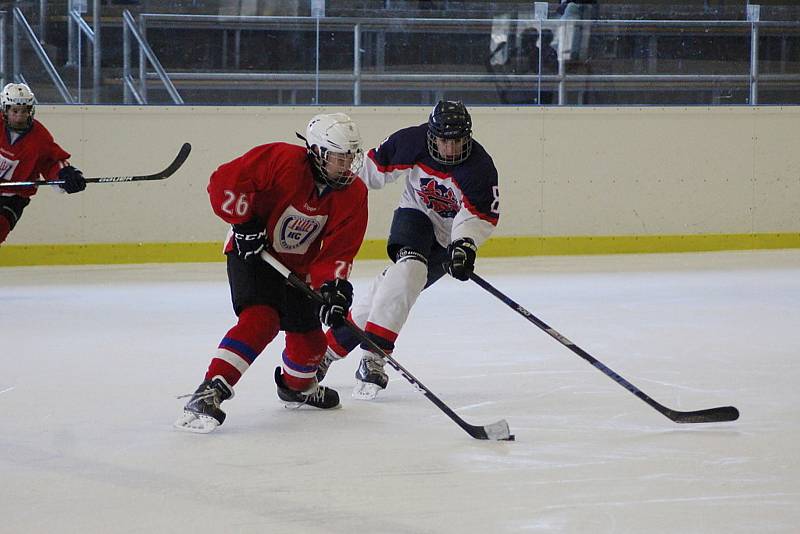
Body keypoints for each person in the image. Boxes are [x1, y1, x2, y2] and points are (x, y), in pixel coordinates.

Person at [175, 113, 368, 433]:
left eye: (350, 157)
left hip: (297, 268)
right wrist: (246, 224)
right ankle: (210, 391)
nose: (346, 165)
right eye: (338, 158)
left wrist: (334, 287)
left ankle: (297, 389)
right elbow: (225, 181)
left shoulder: (353, 193)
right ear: (318, 153)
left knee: (310, 344)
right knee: (260, 320)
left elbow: (339, 248)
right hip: (252, 254)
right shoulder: (281, 159)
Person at [318, 100, 500, 400]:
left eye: (457, 141)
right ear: (432, 136)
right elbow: (369, 171)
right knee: (409, 271)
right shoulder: (412, 141)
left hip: (446, 239)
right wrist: (331, 199)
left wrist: (464, 245)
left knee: (389, 289)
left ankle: (324, 352)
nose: (450, 149)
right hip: (414, 217)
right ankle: (373, 358)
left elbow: (480, 215)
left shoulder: (480, 166)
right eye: (444, 141)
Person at [0, 82, 86, 245]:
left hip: (14, 197)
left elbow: (52, 162)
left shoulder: (40, 137)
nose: (19, 117)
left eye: (24, 111)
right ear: (5, 110)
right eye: (15, 111)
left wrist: (66, 174)